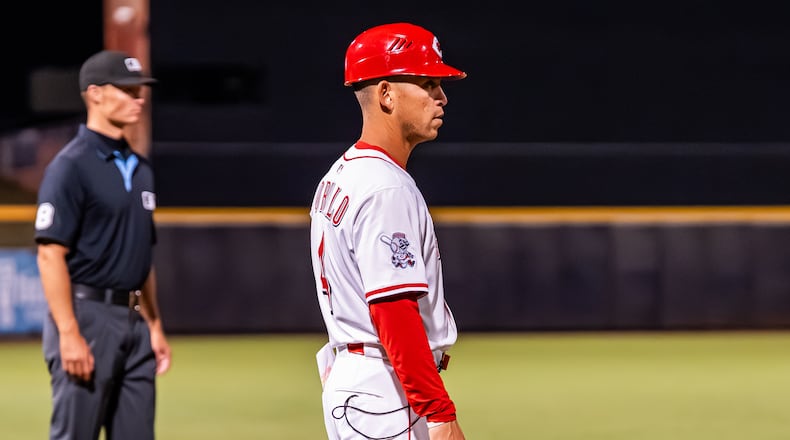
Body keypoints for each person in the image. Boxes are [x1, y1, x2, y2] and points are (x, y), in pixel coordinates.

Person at [310, 23, 467, 440]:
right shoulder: (386, 187)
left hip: (358, 379)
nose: (442, 97)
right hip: (386, 389)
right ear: (386, 94)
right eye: (428, 83)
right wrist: (439, 413)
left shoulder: (340, 174)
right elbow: (394, 309)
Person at [34, 49, 172, 440]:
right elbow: (50, 254)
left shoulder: (141, 167)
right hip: (87, 315)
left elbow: (143, 255)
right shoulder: (70, 165)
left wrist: (155, 325)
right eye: (127, 89)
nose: (138, 98)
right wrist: (68, 332)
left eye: (140, 89)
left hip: (134, 319)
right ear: (94, 94)